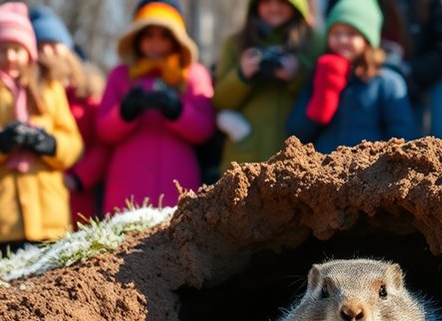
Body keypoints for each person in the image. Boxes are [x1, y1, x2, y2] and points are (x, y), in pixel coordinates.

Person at [0, 2, 82, 264]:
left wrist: (47, 144)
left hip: (48, 219)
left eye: (16, 49)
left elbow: (73, 144)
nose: (10, 57)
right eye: (2, 49)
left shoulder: (49, 87)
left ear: (29, 52)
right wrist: (0, 141)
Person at [95, 0, 216, 214]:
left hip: (177, 184)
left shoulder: (192, 74)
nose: (156, 43)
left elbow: (205, 127)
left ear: (176, 40)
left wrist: (177, 110)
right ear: (137, 39)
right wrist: (125, 112)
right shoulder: (121, 75)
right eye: (148, 35)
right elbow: (103, 130)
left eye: (164, 35)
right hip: (126, 186)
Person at [287, 0, 419, 154]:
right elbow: (296, 133)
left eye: (351, 34)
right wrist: (323, 98)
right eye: (336, 33)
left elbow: (402, 134)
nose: (342, 40)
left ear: (367, 39)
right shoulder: (319, 76)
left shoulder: (387, 81)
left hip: (372, 171)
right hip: (327, 168)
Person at [327, 0, 442, 141]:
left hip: (437, 71)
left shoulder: (389, 81)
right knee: (415, 134)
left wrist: (410, 71)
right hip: (397, 69)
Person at [213, 0, 321, 171]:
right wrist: (242, 75)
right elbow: (220, 101)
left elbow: (324, 96)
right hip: (245, 156)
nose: (274, 7)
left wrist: (297, 73)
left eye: (282, 2)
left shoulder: (314, 42)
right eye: (267, 1)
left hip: (297, 159)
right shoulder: (236, 43)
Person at [29, 5, 109, 223]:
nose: (47, 53)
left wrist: (79, 177)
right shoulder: (30, 95)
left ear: (67, 49)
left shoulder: (88, 93)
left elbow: (102, 144)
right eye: (40, 46)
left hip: (80, 195)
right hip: (41, 197)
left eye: (53, 45)